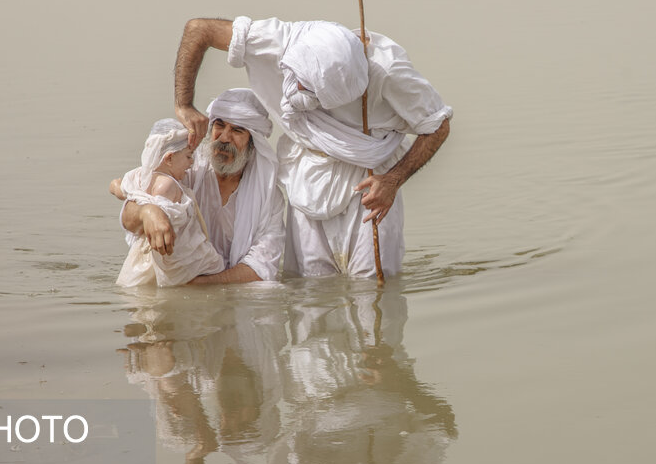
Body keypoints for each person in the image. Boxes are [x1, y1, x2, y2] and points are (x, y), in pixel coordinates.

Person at [174, 16, 452, 278]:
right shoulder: (280, 40)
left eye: (312, 93)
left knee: (372, 292)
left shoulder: (388, 70)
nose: (297, 92)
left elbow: (438, 125)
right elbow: (199, 29)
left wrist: (392, 181)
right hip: (304, 170)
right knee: (310, 291)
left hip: (370, 177)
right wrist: (184, 104)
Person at [118, 89, 285, 284]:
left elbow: (261, 267)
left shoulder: (268, 197)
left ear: (253, 142)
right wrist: (148, 212)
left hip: (223, 286)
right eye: (219, 126)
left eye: (237, 130)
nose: (224, 138)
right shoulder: (186, 168)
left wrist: (201, 285)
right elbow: (129, 217)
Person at [111, 119, 224, 287]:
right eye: (188, 156)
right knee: (214, 267)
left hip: (142, 251)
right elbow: (167, 218)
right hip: (174, 251)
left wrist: (114, 186)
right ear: (169, 158)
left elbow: (120, 190)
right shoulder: (167, 184)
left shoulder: (138, 177)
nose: (191, 163)